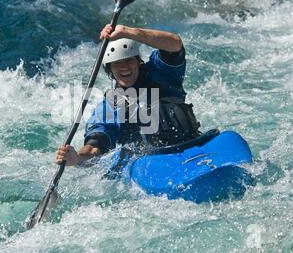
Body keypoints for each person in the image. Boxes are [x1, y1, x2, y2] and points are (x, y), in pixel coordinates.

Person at [55, 24, 201, 167]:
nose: (124, 66)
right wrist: (77, 158)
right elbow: (95, 146)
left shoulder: (160, 72)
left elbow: (175, 44)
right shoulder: (110, 106)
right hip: (150, 162)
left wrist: (128, 32)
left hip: (192, 145)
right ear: (110, 70)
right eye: (117, 63)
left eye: (129, 59)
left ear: (138, 61)